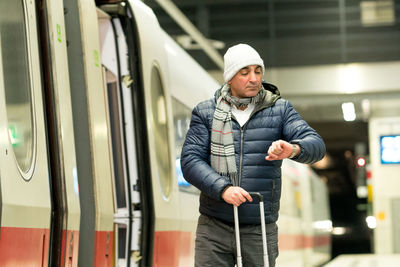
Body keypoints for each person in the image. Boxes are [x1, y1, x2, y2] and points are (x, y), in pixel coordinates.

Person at [180, 43, 325, 267]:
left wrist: (293, 149)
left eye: (258, 71)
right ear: (230, 77)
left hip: (259, 228)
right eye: (244, 72)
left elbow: (316, 144)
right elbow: (190, 160)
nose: (254, 78)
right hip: (214, 226)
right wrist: (223, 189)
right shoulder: (206, 112)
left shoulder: (280, 110)